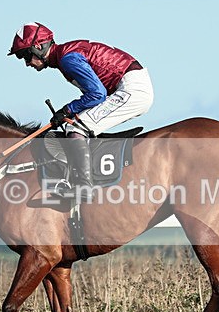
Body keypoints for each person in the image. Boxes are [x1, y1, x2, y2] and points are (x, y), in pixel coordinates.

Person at [8, 22, 153, 197]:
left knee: (75, 127)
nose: (26, 63)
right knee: (78, 123)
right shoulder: (65, 55)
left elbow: (97, 94)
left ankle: (84, 186)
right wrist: (69, 113)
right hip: (129, 85)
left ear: (39, 47)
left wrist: (67, 110)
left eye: (25, 55)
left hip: (132, 89)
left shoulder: (67, 59)